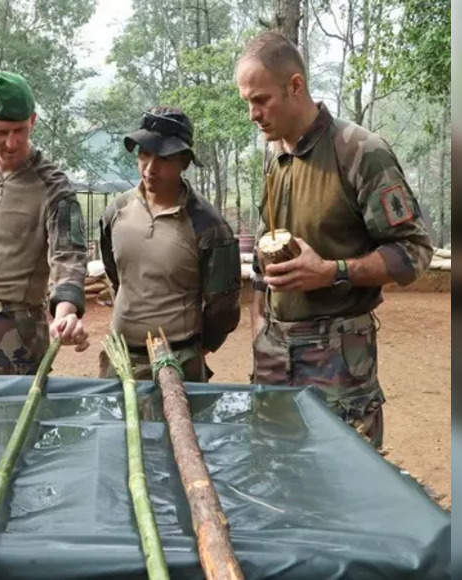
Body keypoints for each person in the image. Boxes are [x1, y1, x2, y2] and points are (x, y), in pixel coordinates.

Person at [236, 31, 433, 447]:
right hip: (274, 358)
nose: (252, 113)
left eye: (261, 99)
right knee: (279, 479)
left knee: (346, 487)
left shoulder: (359, 151)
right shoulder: (275, 157)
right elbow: (261, 264)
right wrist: (259, 330)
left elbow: (414, 251)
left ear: (296, 86)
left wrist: (331, 272)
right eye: (247, 102)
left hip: (337, 364)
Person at [0, 70, 89, 375]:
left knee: (11, 418)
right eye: (1, 132)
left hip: (18, 330)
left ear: (33, 121)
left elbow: (69, 257)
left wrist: (65, 313)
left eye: (20, 130)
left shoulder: (53, 185)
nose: (11, 142)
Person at [98, 107, 241, 381]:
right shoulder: (116, 212)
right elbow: (117, 276)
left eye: (163, 158)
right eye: (144, 154)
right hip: (120, 359)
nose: (150, 168)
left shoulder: (208, 226)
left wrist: (199, 348)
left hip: (180, 361)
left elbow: (223, 307)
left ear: (185, 161)